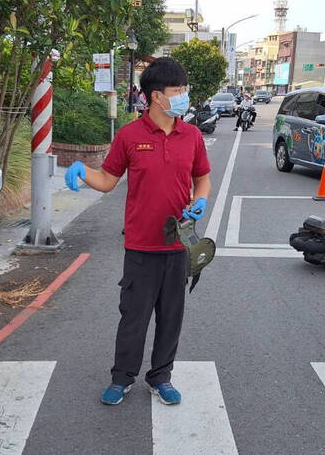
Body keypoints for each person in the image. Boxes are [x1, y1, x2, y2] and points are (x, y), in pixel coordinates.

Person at [64, 57, 211, 406]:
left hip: (178, 244)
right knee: (133, 316)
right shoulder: (130, 135)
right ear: (156, 96)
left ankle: (161, 377)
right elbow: (107, 180)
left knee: (171, 318)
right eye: (178, 91)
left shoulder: (190, 135)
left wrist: (201, 199)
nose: (184, 97)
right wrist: (83, 170)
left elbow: (202, 178)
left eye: (184, 90)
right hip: (141, 247)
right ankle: (122, 377)